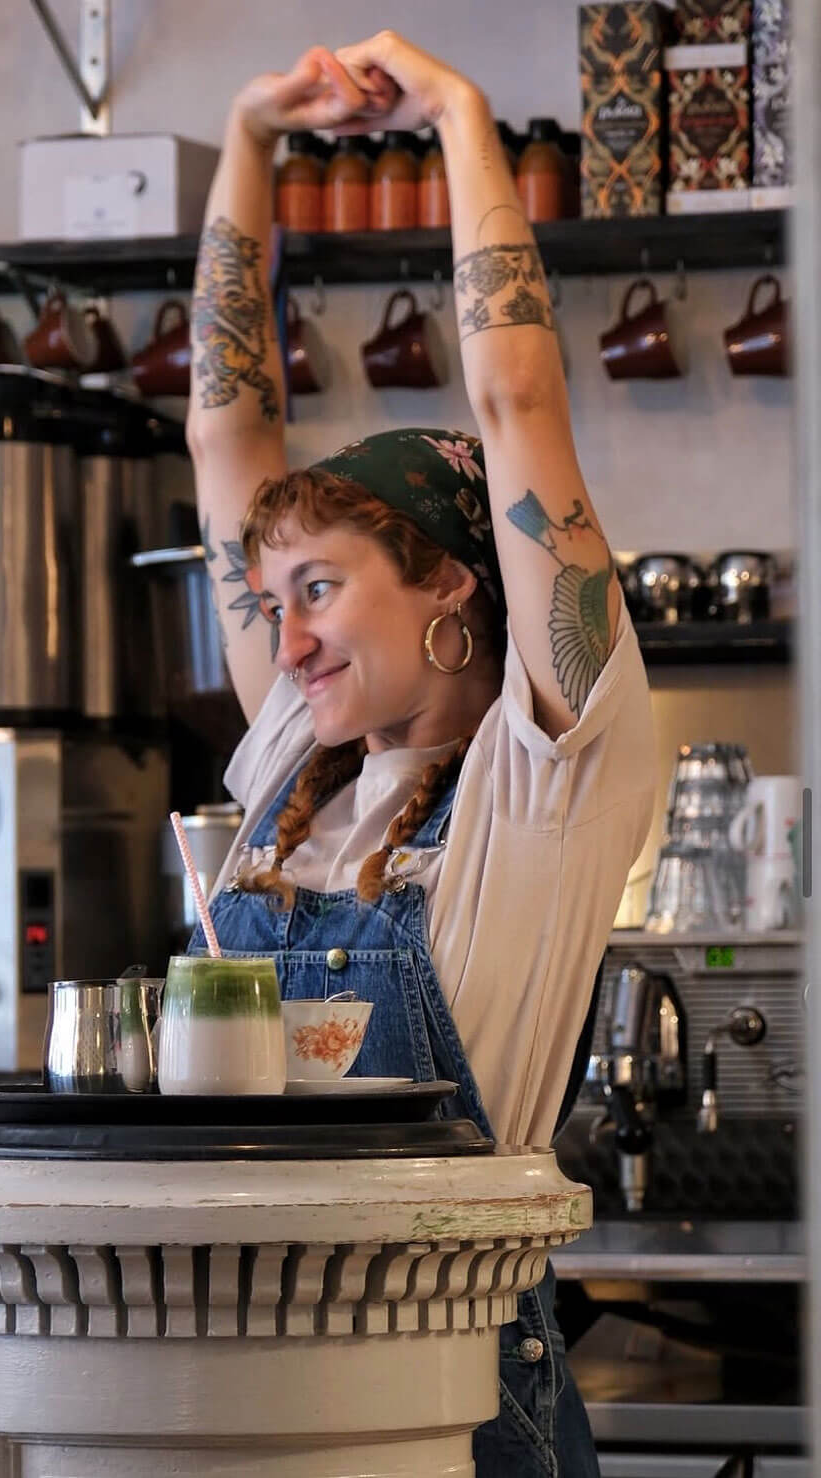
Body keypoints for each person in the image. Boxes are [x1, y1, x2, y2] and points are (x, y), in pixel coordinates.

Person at [184, 31, 657, 1478]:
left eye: (321, 590)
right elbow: (227, 424)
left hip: (450, 1402)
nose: (289, 637)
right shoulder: (289, 755)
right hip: (242, 1385)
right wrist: (249, 139)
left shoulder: (551, 766)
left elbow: (518, 405)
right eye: (273, 603)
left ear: (452, 581)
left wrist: (458, 114)